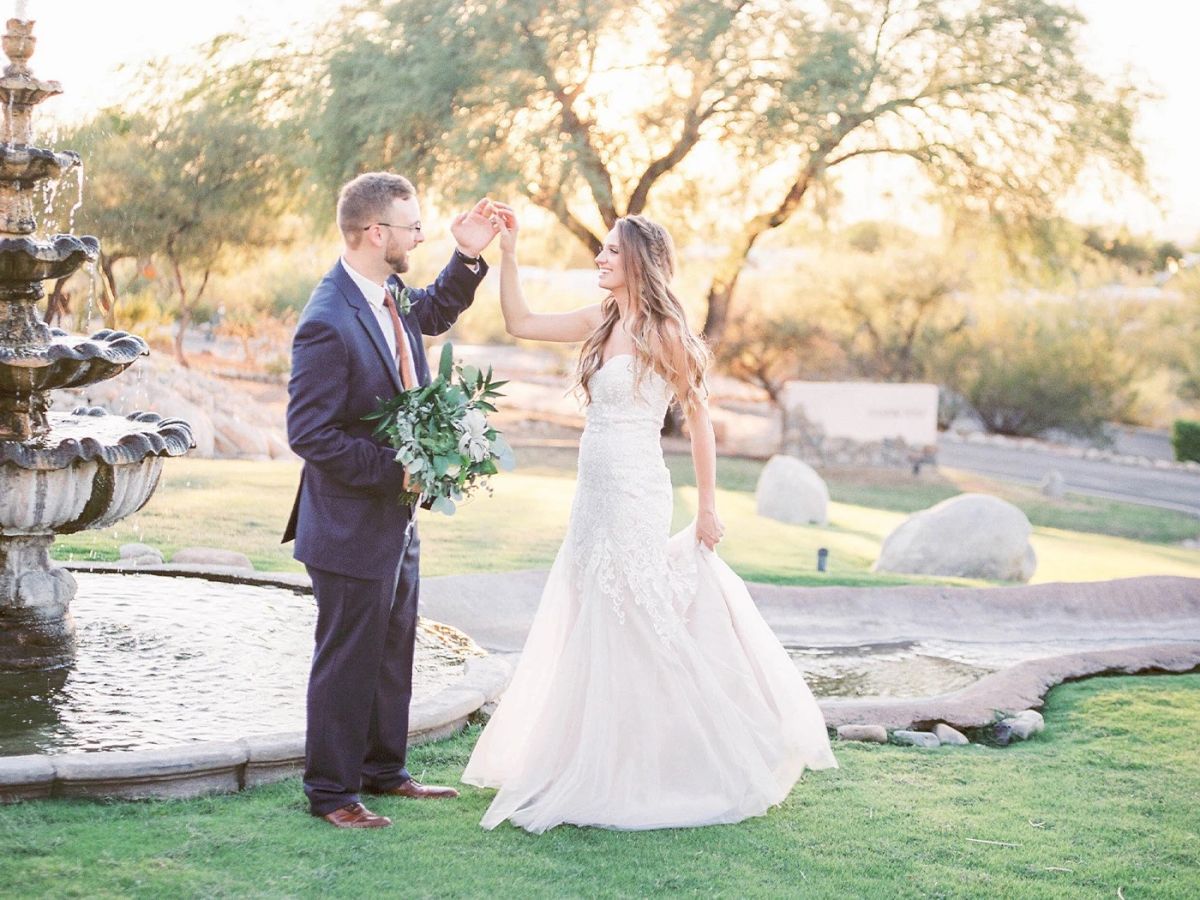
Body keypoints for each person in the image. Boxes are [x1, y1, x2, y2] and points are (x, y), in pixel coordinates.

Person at [461, 208, 838, 833]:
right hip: (594, 492)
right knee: (591, 609)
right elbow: (520, 322)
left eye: (611, 251)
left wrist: (709, 507)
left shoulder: (665, 333)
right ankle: (595, 753)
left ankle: (690, 755)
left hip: (636, 490)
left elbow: (701, 424)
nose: (600, 259)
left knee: (637, 614)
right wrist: (508, 253)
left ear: (639, 261)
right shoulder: (601, 320)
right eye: (601, 250)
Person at [284, 172, 498, 828]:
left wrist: (466, 257)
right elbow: (309, 434)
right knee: (347, 658)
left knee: (392, 645)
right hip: (349, 520)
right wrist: (398, 471)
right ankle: (331, 794)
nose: (419, 236)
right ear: (376, 233)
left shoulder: (389, 292)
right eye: (412, 228)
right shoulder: (326, 321)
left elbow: (431, 312)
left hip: (393, 518)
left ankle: (382, 772)